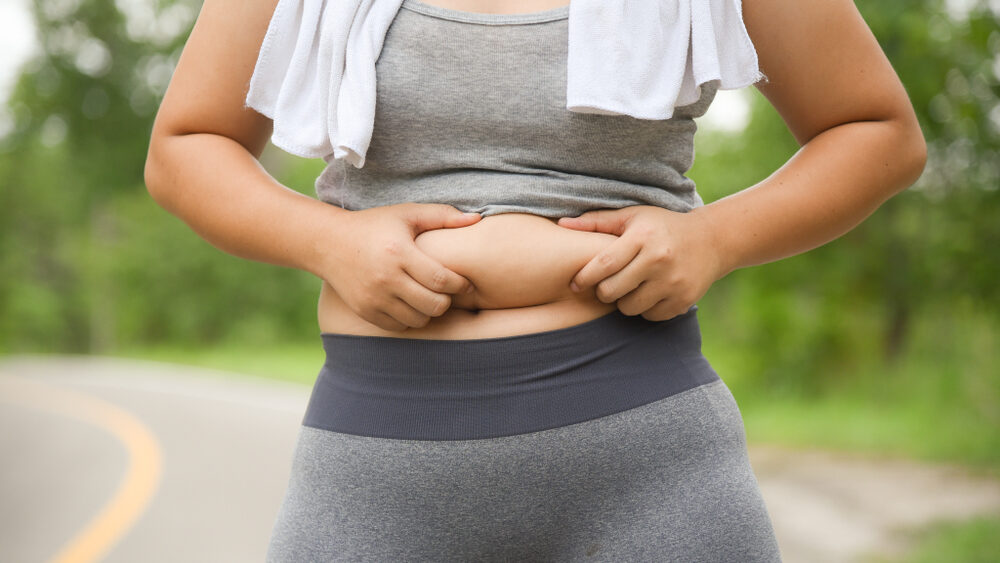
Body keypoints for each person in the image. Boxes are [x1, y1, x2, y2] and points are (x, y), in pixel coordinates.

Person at [144, 0, 926, 560]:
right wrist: (329, 240)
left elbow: (878, 130)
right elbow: (184, 146)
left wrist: (714, 237)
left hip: (648, 469)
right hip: (376, 475)